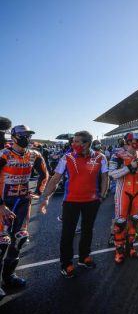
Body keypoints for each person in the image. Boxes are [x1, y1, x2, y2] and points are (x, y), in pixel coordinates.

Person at [40, 130, 107, 278]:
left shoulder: (100, 157)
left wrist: (102, 195)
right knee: (67, 233)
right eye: (73, 141)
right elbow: (55, 178)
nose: (73, 144)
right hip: (71, 201)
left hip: (92, 201)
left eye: (77, 141)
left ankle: (84, 257)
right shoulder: (67, 157)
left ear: (87, 143)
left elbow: (104, 177)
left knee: (87, 230)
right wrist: (45, 197)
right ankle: (66, 264)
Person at [1, 125, 48, 297]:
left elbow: (44, 174)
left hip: (22, 202)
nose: (26, 138)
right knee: (2, 242)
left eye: (28, 135)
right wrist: (1, 205)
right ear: (13, 137)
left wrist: (38, 193)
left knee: (20, 239)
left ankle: (9, 277)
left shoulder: (35, 155)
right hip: (3, 203)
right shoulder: (4, 155)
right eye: (22, 135)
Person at [108, 132, 138, 264]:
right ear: (128, 141)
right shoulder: (117, 154)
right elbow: (112, 174)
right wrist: (129, 167)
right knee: (120, 223)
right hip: (123, 191)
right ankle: (119, 250)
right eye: (136, 140)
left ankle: (130, 247)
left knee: (134, 220)